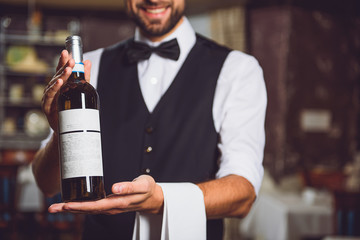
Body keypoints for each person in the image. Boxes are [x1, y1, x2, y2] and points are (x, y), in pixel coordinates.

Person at [32, 0, 267, 239]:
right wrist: (61, 133)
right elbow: (46, 184)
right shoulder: (90, 68)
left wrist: (160, 199)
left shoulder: (238, 69)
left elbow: (243, 193)